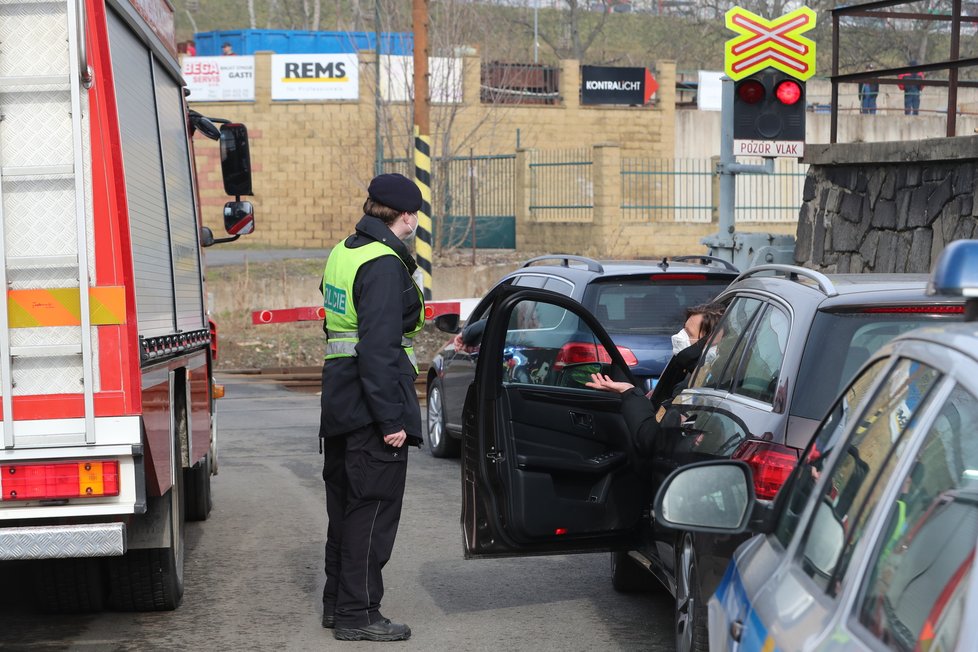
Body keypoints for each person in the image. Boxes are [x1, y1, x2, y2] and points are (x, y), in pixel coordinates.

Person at [318, 173, 424, 642]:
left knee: (345, 509)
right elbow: (379, 348)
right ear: (405, 216)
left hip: (341, 400)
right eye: (415, 214)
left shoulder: (345, 250)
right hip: (370, 406)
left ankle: (336, 604)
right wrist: (391, 420)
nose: (416, 221)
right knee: (373, 511)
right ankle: (359, 614)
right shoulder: (383, 264)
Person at [587, 302, 726, 456]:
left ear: (712, 344)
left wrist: (630, 392)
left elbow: (652, 439)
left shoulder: (710, 389)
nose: (678, 336)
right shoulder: (691, 377)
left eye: (688, 333)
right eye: (683, 329)